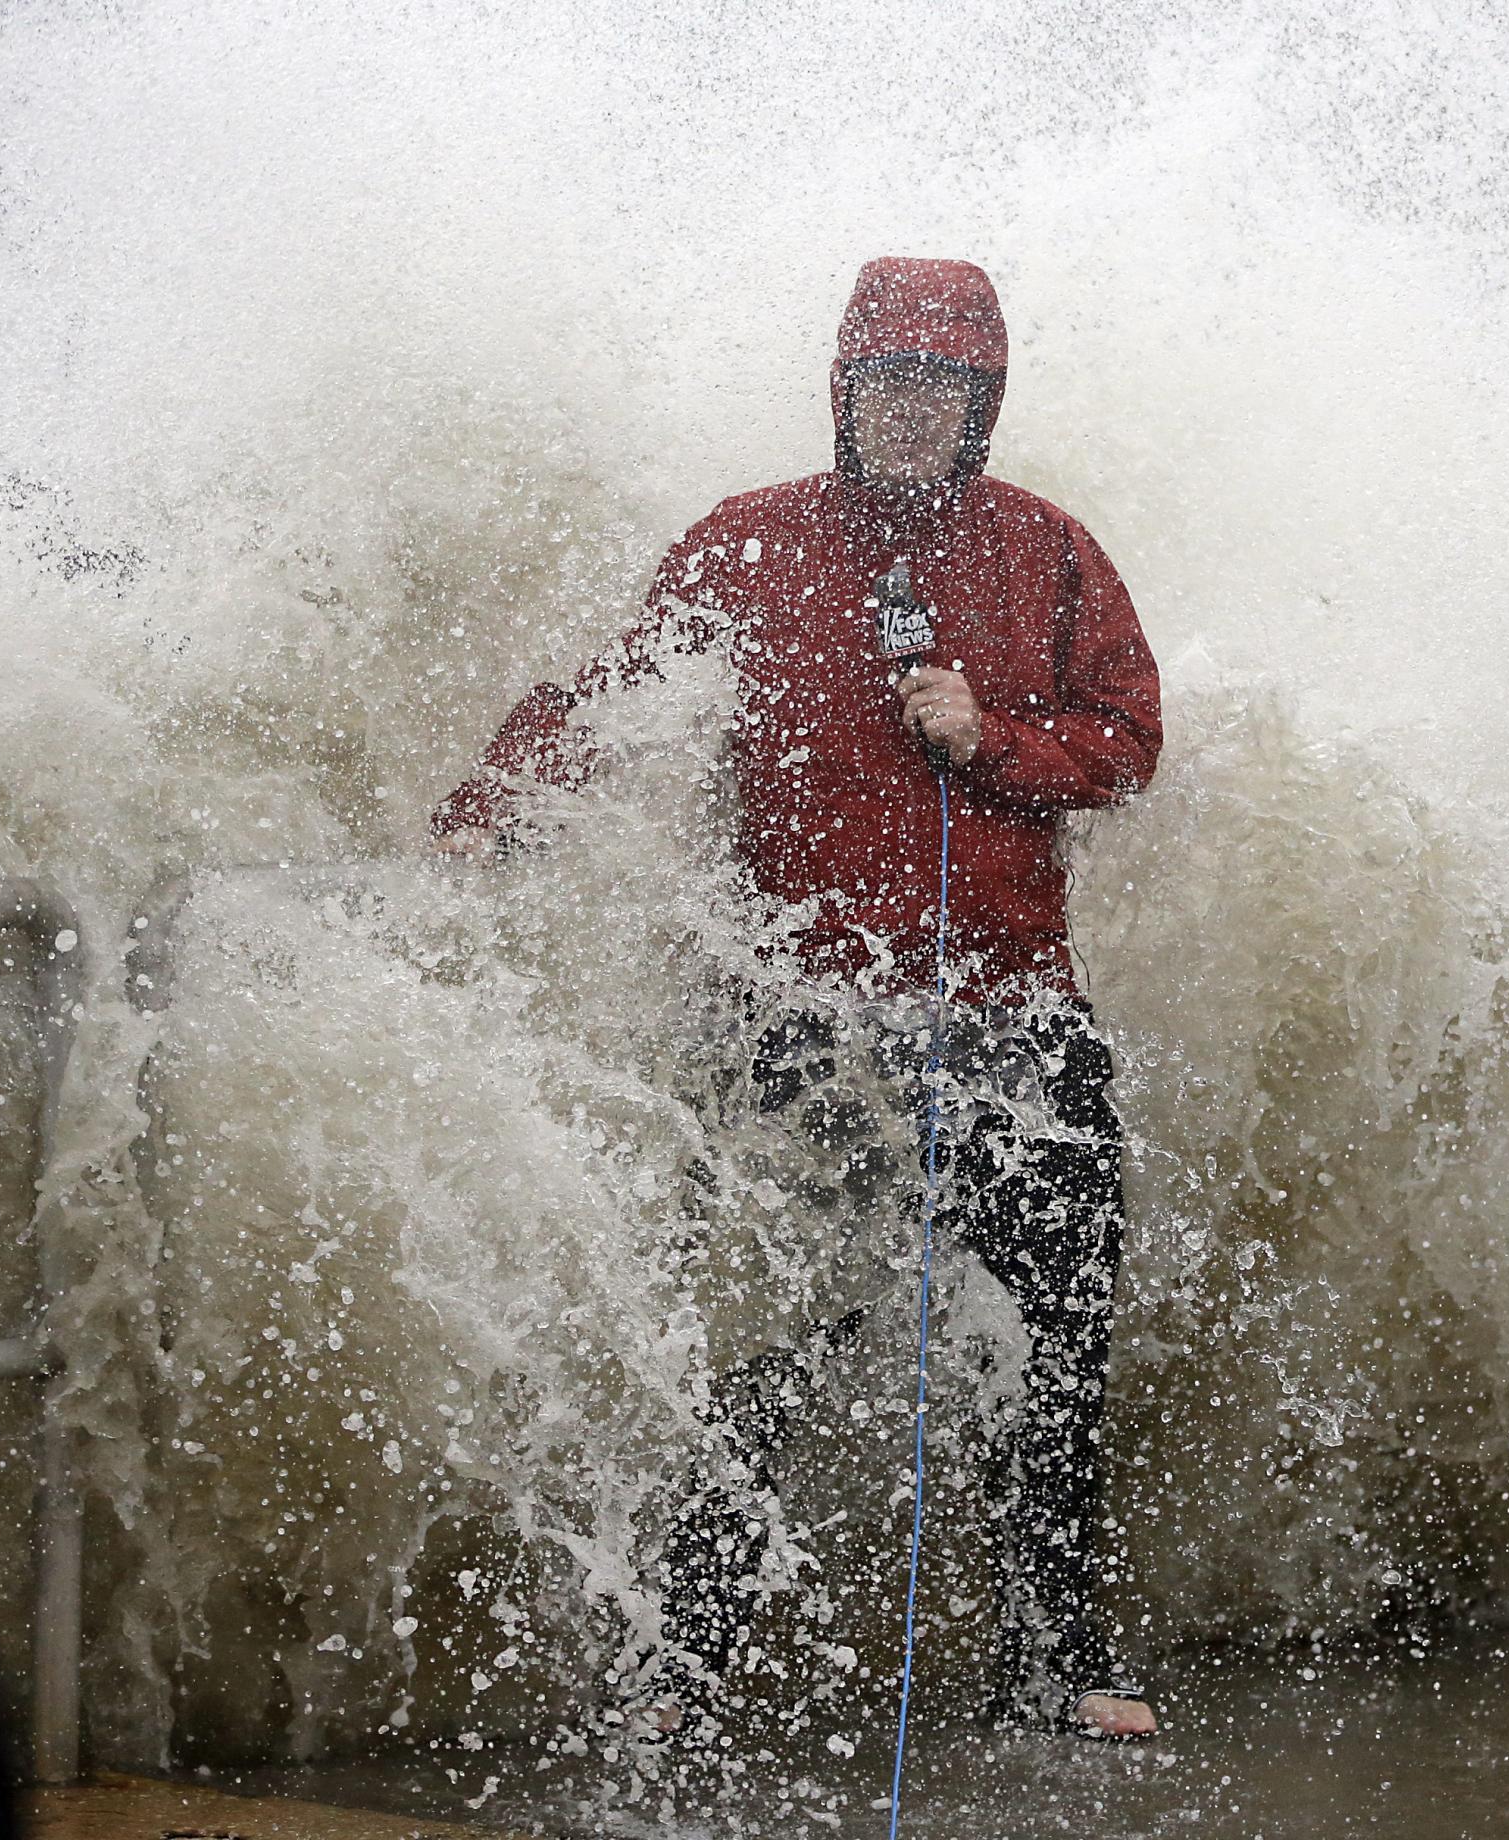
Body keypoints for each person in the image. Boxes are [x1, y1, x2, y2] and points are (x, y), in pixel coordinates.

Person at [431, 258, 1161, 1742]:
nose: (911, 409)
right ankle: (686, 1663)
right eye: (886, 381)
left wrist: (997, 735)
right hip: (799, 1020)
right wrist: (487, 810)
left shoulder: (1052, 552)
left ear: (983, 402)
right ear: (845, 392)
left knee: (1062, 1346)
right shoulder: (750, 543)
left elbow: (1131, 742)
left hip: (1011, 1019)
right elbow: (622, 691)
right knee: (756, 1344)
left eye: (943, 387)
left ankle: (1056, 1658)